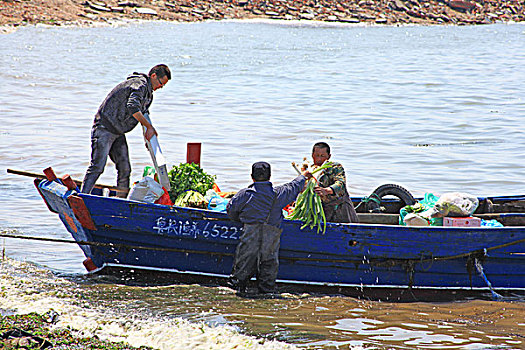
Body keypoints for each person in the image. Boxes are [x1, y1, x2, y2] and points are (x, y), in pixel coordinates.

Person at [81, 64, 171, 195]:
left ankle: (120, 201)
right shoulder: (139, 85)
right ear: (153, 76)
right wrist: (149, 127)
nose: (160, 87)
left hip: (118, 132)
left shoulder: (149, 94)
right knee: (97, 166)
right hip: (104, 128)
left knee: (125, 169)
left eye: (163, 86)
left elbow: (143, 114)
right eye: (160, 83)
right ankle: (82, 196)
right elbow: (133, 107)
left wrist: (148, 137)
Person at [227, 161, 312, 294]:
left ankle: (238, 290)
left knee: (243, 265)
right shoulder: (279, 193)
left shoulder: (244, 194)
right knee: (269, 265)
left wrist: (242, 220)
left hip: (250, 233)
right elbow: (294, 186)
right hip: (271, 235)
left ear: (252, 177)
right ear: (270, 176)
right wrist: (303, 176)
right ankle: (266, 294)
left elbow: (231, 210)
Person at [310, 142, 359, 223]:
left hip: (340, 211)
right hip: (321, 212)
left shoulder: (335, 167)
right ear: (312, 155)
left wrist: (326, 190)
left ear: (328, 157)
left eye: (322, 156)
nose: (319, 159)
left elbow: (340, 184)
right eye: (316, 156)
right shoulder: (310, 170)